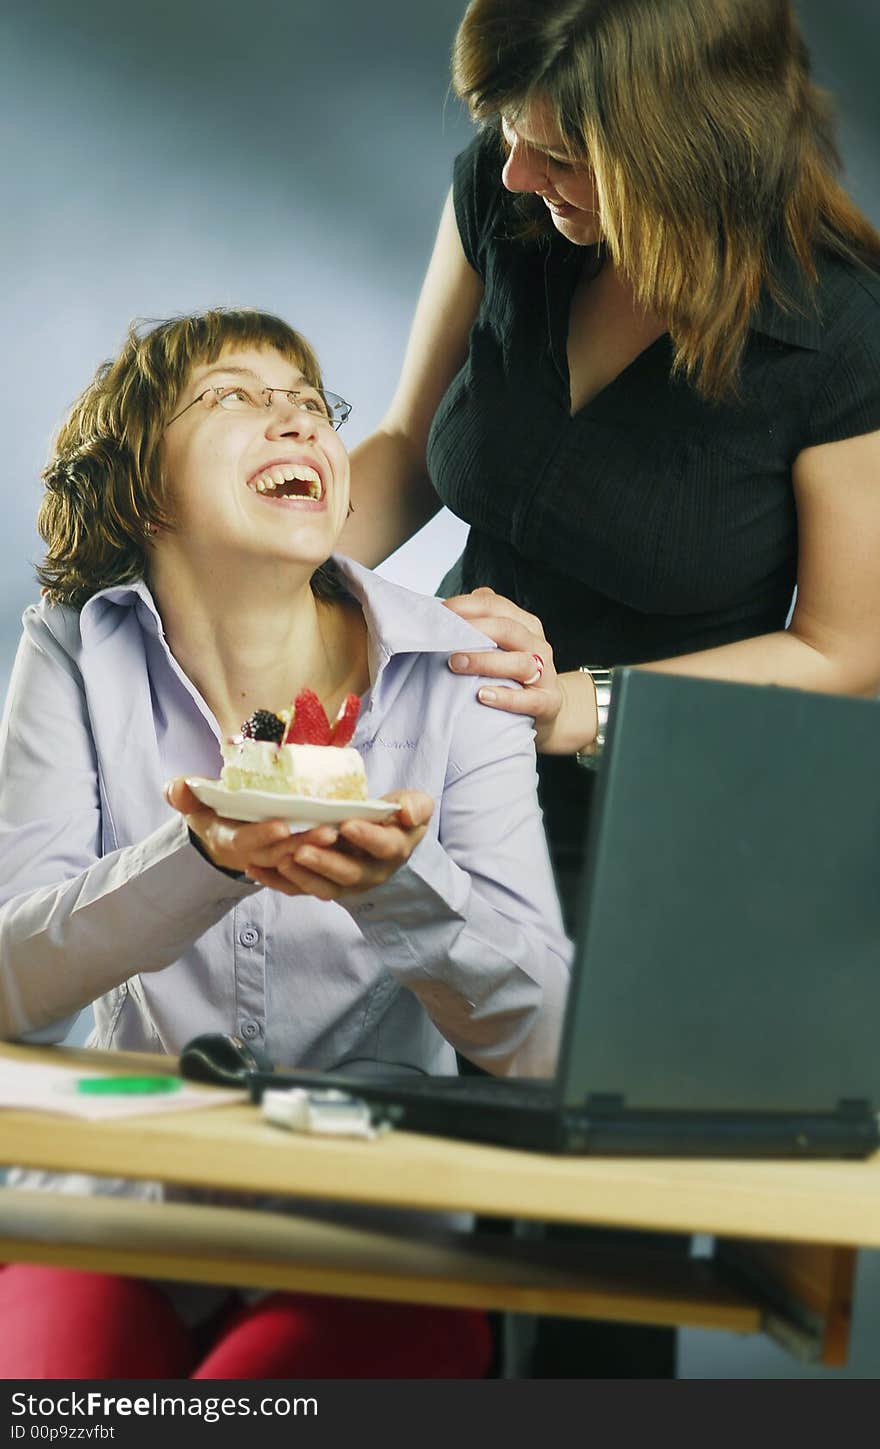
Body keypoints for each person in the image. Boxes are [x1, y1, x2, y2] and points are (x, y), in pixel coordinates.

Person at [341, 0, 880, 1377]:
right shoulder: (506, 196)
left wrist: (586, 703)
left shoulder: (844, 332)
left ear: (686, 150)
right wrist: (250, 582)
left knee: (578, 1314)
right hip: (424, 775)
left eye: (559, 156)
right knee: (355, 1243)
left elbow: (845, 649)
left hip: (645, 844)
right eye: (510, 142)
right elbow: (406, 441)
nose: (516, 177)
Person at [0, 306, 571, 1379]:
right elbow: (9, 985)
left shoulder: (462, 668)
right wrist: (200, 859)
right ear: (142, 485)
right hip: (107, 1211)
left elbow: (543, 1042)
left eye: (312, 405)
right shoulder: (73, 650)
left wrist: (405, 888)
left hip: (367, 1235)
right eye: (234, 398)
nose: (298, 422)